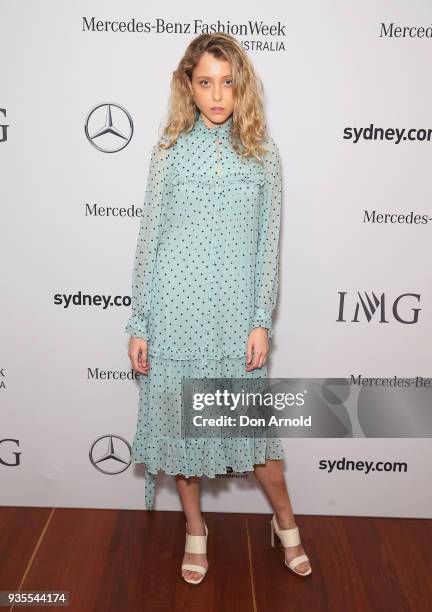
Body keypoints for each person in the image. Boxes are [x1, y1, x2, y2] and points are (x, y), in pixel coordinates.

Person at [125, 33, 312, 584]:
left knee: (252, 438)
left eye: (227, 82)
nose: (217, 95)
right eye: (205, 82)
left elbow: (266, 246)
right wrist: (140, 321)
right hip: (174, 316)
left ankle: (285, 523)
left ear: (241, 86)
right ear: (189, 85)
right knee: (183, 438)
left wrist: (260, 321)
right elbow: (150, 237)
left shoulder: (261, 153)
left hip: (234, 322)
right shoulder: (167, 149)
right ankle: (195, 532)